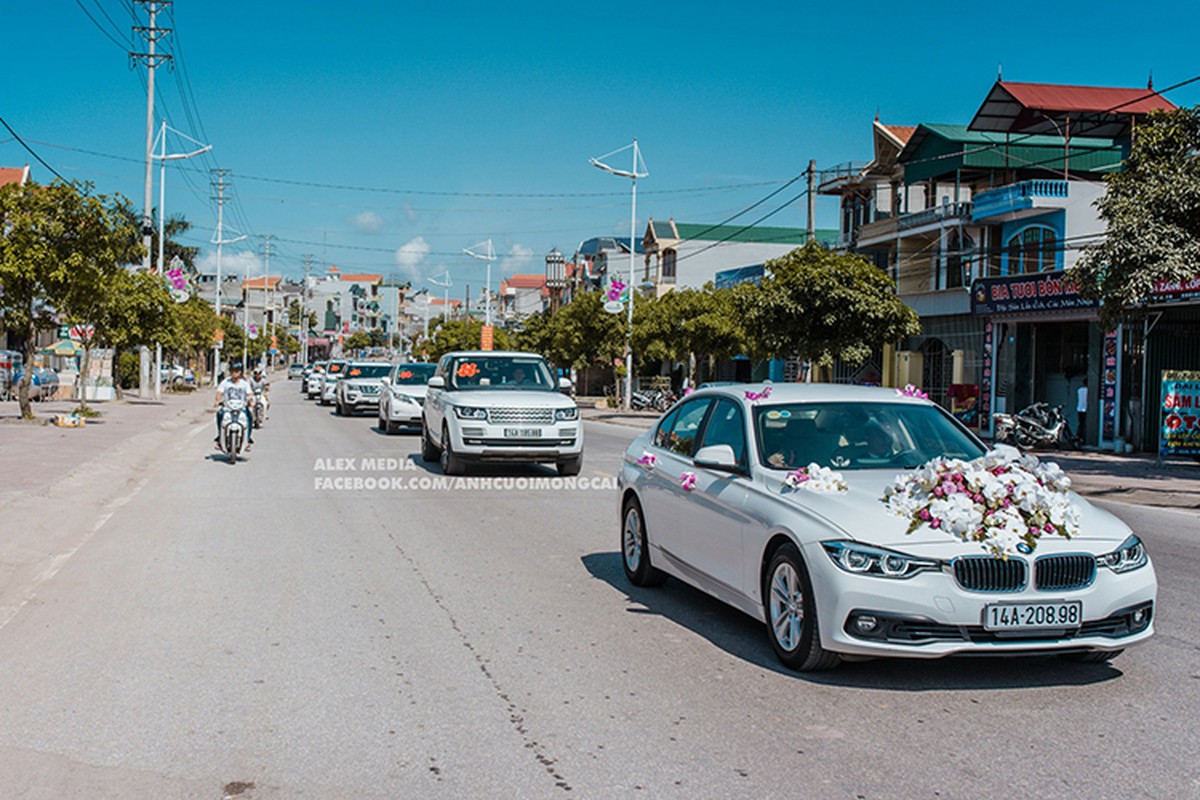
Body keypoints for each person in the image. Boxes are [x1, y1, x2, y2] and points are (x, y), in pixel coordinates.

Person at [215, 363, 256, 450]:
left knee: (249, 417)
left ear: (240, 372)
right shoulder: (226, 382)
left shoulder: (244, 384)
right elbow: (219, 392)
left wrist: (251, 401)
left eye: (236, 371)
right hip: (227, 407)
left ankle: (247, 440)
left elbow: (250, 394)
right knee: (219, 414)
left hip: (242, 408)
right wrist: (217, 401)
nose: (234, 373)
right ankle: (219, 438)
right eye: (232, 371)